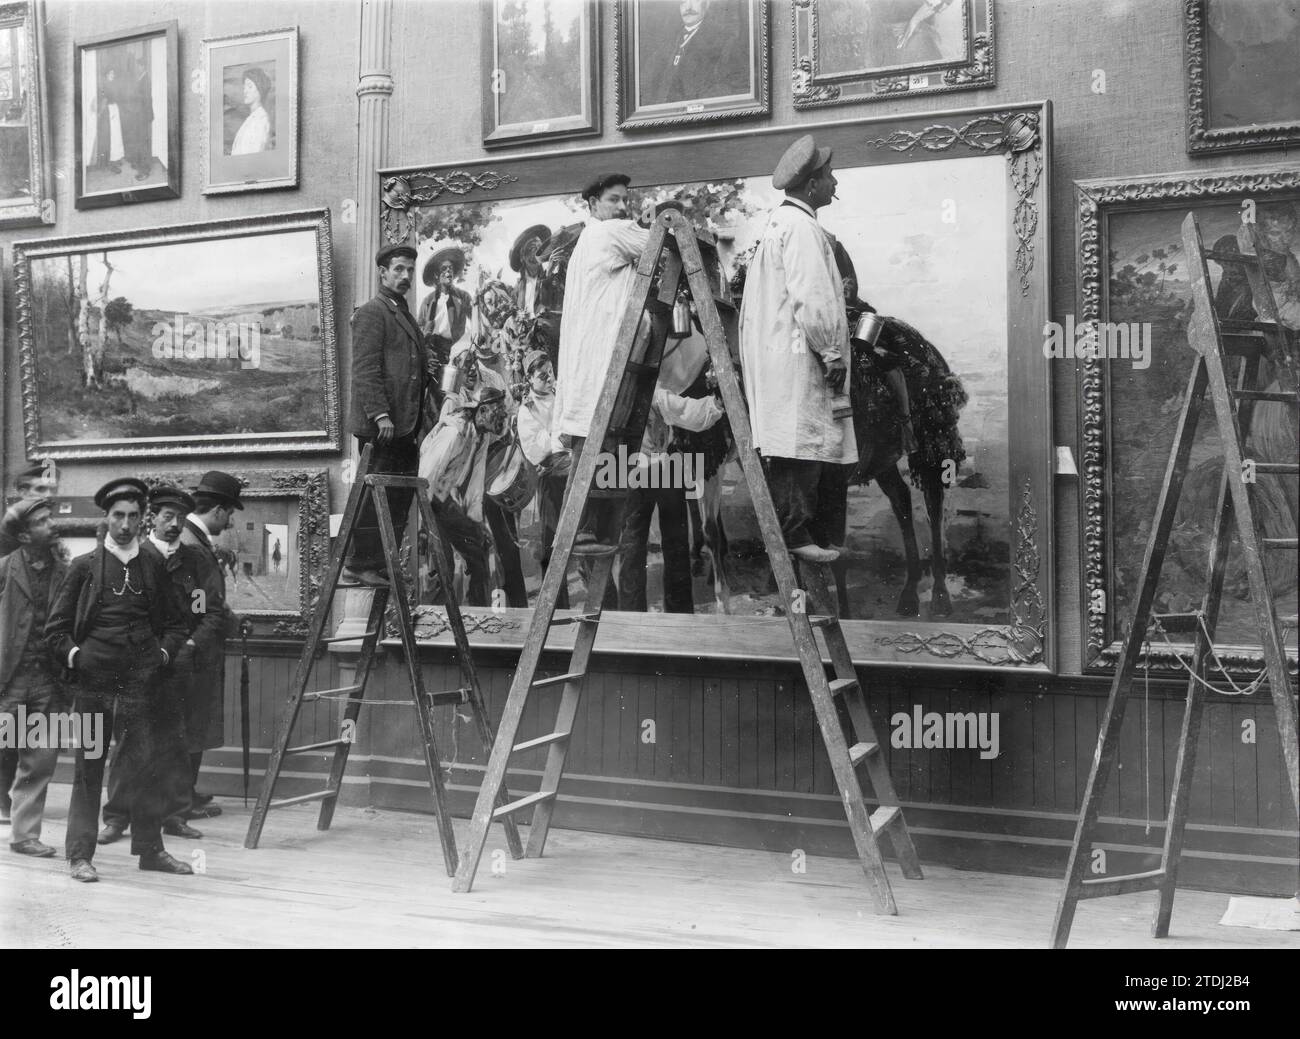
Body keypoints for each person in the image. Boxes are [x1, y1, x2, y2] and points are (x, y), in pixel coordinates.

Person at [45, 478, 192, 882]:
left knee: (146, 764)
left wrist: (161, 654)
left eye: (132, 516)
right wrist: (78, 657)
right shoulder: (84, 567)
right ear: (106, 518)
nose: (125, 524)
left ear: (143, 519)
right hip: (94, 684)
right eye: (117, 516)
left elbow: (177, 624)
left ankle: (150, 850)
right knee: (88, 768)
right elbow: (55, 630)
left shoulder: (153, 565)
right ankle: (79, 855)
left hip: (142, 683)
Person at [739, 134, 857, 564]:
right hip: (799, 355)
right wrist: (830, 351)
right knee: (801, 440)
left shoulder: (780, 225)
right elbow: (814, 296)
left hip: (782, 354)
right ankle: (796, 532)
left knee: (804, 439)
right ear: (811, 185)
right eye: (828, 176)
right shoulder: (802, 228)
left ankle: (814, 533)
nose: (834, 182)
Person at [100, 485, 225, 845]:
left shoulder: (196, 563)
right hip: (137, 666)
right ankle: (117, 817)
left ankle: (175, 815)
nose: (174, 525)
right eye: (167, 517)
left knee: (176, 743)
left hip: (180, 665)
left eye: (180, 519)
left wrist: (189, 644)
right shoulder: (134, 559)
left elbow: (208, 612)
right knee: (128, 743)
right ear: (151, 518)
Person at [552, 171, 653, 552]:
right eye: (613, 199)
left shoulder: (588, 240)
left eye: (625, 199)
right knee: (594, 443)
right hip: (601, 357)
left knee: (593, 443)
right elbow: (658, 240)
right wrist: (662, 219)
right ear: (593, 204)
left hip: (591, 356)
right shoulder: (608, 232)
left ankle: (584, 530)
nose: (622, 207)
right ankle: (577, 531)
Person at [347, 244, 432, 587]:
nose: (406, 276)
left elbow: (406, 366)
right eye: (398, 269)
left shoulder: (402, 312)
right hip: (382, 427)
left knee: (398, 496)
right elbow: (365, 370)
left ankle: (382, 562)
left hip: (405, 428)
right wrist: (381, 414)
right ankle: (361, 563)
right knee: (375, 495)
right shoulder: (372, 312)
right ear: (382, 272)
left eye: (410, 270)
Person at [617, 385, 726, 614]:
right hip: (633, 471)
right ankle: (630, 616)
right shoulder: (620, 395)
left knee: (671, 544)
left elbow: (687, 411)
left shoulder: (653, 394)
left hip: (661, 469)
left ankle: (677, 614)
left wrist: (716, 403)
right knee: (633, 547)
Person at [0, 499, 67, 857]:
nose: (52, 525)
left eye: (51, 519)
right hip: (8, 681)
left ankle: (24, 836)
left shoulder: (66, 572)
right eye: (43, 521)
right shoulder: (3, 570)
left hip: (48, 682)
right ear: (24, 535)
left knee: (39, 760)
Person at [177, 472, 243, 818]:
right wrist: (217, 621)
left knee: (195, 722)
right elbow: (197, 604)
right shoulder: (192, 544)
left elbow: (202, 600)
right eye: (230, 513)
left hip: (197, 647)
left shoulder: (193, 540)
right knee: (191, 723)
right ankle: (181, 800)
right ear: (217, 509)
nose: (230, 521)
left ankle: (186, 792)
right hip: (195, 651)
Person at [419, 381, 512, 607]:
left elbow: (475, 486)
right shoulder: (454, 433)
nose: (503, 417)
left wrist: (476, 524)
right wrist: (424, 525)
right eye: (498, 412)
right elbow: (424, 479)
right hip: (427, 501)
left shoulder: (481, 435)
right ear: (482, 410)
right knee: (443, 566)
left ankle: (476, 616)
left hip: (444, 501)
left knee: (479, 549)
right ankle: (436, 622)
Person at [516, 350, 571, 608]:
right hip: (553, 479)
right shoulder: (527, 411)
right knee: (553, 543)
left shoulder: (561, 394)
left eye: (551, 373)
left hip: (572, 469)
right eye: (542, 376)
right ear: (529, 378)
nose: (549, 379)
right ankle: (557, 606)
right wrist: (561, 436)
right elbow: (537, 450)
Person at [646, 0, 748, 106]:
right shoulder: (667, 44)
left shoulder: (725, 42)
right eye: (683, 2)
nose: (688, 7)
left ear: (706, 3)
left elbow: (739, 86)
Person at [418, 245, 474, 379]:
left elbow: (475, 322)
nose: (448, 271)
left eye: (451, 268)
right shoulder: (428, 301)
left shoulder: (463, 297)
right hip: (434, 351)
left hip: (457, 351)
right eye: (444, 268)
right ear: (436, 274)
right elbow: (420, 329)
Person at [120, 52, 154, 182]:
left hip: (143, 115)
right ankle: (140, 165)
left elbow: (145, 98)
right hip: (139, 115)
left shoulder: (145, 79)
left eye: (139, 65)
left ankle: (145, 170)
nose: (137, 67)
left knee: (143, 143)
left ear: (143, 67)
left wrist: (132, 97)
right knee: (139, 141)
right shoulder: (141, 77)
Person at [511, 224, 552, 318]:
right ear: (522, 256)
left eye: (539, 249)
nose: (535, 254)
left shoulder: (549, 281)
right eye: (531, 249)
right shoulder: (517, 289)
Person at [231, 66, 273, 155]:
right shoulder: (252, 119)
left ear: (259, 89)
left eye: (249, 86)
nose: (245, 91)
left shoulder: (261, 120)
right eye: (244, 87)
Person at [92, 67, 125, 175]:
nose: (113, 75)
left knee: (117, 136)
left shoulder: (113, 84)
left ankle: (117, 158)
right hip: (109, 111)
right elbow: (104, 100)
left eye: (113, 73)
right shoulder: (104, 85)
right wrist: (100, 113)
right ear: (106, 74)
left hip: (115, 109)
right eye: (111, 73)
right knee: (112, 137)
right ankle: (112, 163)